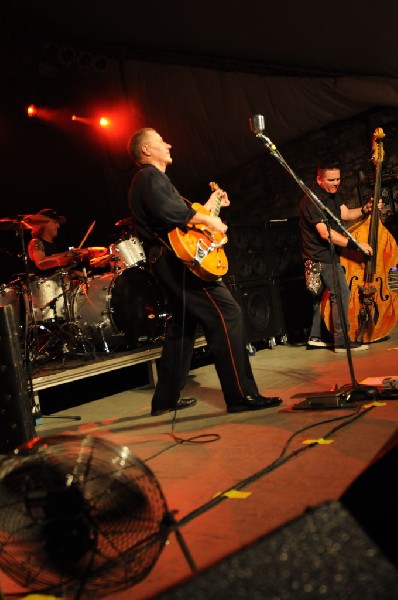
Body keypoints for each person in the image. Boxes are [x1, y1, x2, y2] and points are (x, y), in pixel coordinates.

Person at [127, 127, 282, 415]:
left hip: (168, 263)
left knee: (182, 328)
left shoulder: (154, 180)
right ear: (146, 150)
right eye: (162, 141)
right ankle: (240, 395)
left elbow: (182, 216)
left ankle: (165, 401)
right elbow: (170, 213)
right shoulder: (148, 176)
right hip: (179, 264)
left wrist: (212, 207)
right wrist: (213, 223)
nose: (169, 144)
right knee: (228, 315)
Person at [299, 162, 375, 353]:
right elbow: (325, 233)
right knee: (340, 293)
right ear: (319, 179)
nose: (336, 183)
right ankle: (342, 342)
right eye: (331, 180)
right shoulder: (312, 200)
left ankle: (317, 336)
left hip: (330, 255)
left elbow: (347, 214)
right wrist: (356, 246)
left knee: (327, 298)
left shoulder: (333, 196)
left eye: (338, 179)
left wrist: (365, 209)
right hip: (320, 257)